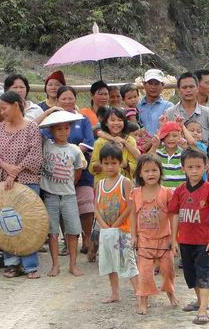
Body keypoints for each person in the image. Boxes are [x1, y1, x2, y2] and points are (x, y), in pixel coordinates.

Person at [0, 91, 44, 278]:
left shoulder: (31, 128)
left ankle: (30, 265)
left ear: (16, 105)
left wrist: (16, 171)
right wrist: (7, 168)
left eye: (4, 108)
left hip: (27, 181)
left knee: (28, 223)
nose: (1, 112)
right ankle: (11, 262)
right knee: (6, 220)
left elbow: (35, 155)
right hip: (4, 182)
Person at [168, 149, 209, 325]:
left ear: (205, 167)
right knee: (190, 276)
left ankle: (203, 310)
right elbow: (174, 214)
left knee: (203, 273)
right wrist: (174, 238)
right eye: (190, 167)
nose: (194, 170)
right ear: (183, 168)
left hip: (202, 242)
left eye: (198, 166)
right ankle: (199, 301)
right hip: (184, 240)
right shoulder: (179, 190)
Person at [43, 86, 97, 258]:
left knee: (86, 205)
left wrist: (71, 151)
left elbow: (89, 142)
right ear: (57, 100)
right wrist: (62, 152)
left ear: (76, 99)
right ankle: (67, 241)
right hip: (58, 173)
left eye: (70, 98)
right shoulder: (51, 120)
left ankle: (86, 238)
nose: (67, 101)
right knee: (62, 207)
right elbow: (44, 137)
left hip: (81, 168)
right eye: (63, 99)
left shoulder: (83, 119)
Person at [38, 110, 86, 277]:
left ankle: (73, 265)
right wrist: (50, 111)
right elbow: (33, 128)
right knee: (52, 232)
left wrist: (70, 184)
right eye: (59, 129)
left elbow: (78, 170)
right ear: (52, 131)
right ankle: (55, 265)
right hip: (50, 195)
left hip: (69, 196)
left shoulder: (74, 150)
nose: (63, 132)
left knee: (73, 231)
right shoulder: (46, 145)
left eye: (66, 128)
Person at [130, 154, 178, 314]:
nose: (151, 174)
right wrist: (134, 236)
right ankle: (143, 301)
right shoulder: (135, 193)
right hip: (144, 240)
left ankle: (171, 293)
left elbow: (172, 217)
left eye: (154, 170)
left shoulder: (167, 193)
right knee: (144, 272)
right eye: (147, 171)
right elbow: (133, 215)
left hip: (164, 240)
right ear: (140, 174)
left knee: (168, 269)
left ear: (160, 172)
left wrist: (174, 239)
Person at [94, 145, 139, 304]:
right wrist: (103, 225)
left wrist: (117, 224)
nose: (110, 167)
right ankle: (115, 293)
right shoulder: (99, 184)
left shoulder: (125, 182)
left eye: (113, 163)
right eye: (106, 163)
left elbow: (130, 206)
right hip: (106, 230)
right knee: (109, 263)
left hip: (122, 230)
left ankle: (139, 292)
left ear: (121, 163)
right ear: (101, 164)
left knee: (128, 261)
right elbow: (96, 207)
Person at [164, 72, 209, 153]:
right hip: (176, 163)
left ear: (197, 88)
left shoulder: (207, 113)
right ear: (179, 90)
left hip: (202, 162)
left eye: (191, 87)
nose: (188, 90)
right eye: (184, 87)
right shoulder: (170, 113)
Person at [91, 107, 140, 181]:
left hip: (124, 184)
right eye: (112, 120)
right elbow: (92, 168)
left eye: (120, 120)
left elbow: (135, 166)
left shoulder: (130, 141)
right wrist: (106, 159)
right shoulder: (100, 142)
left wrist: (124, 164)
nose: (116, 123)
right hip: (103, 184)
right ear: (106, 123)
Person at [138, 69, 174, 137]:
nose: (153, 87)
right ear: (144, 84)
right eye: (150, 83)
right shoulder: (137, 106)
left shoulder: (169, 107)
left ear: (163, 85)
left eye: (157, 84)